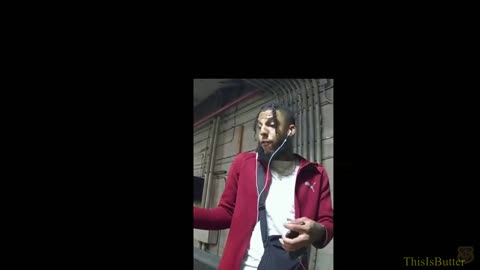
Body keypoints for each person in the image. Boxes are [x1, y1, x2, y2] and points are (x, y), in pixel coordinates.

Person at [193, 102, 333, 270]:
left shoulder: (315, 174)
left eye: (271, 125)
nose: (263, 132)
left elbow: (327, 221)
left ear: (291, 130)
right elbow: (226, 213)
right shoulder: (243, 164)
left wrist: (317, 231)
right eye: (259, 127)